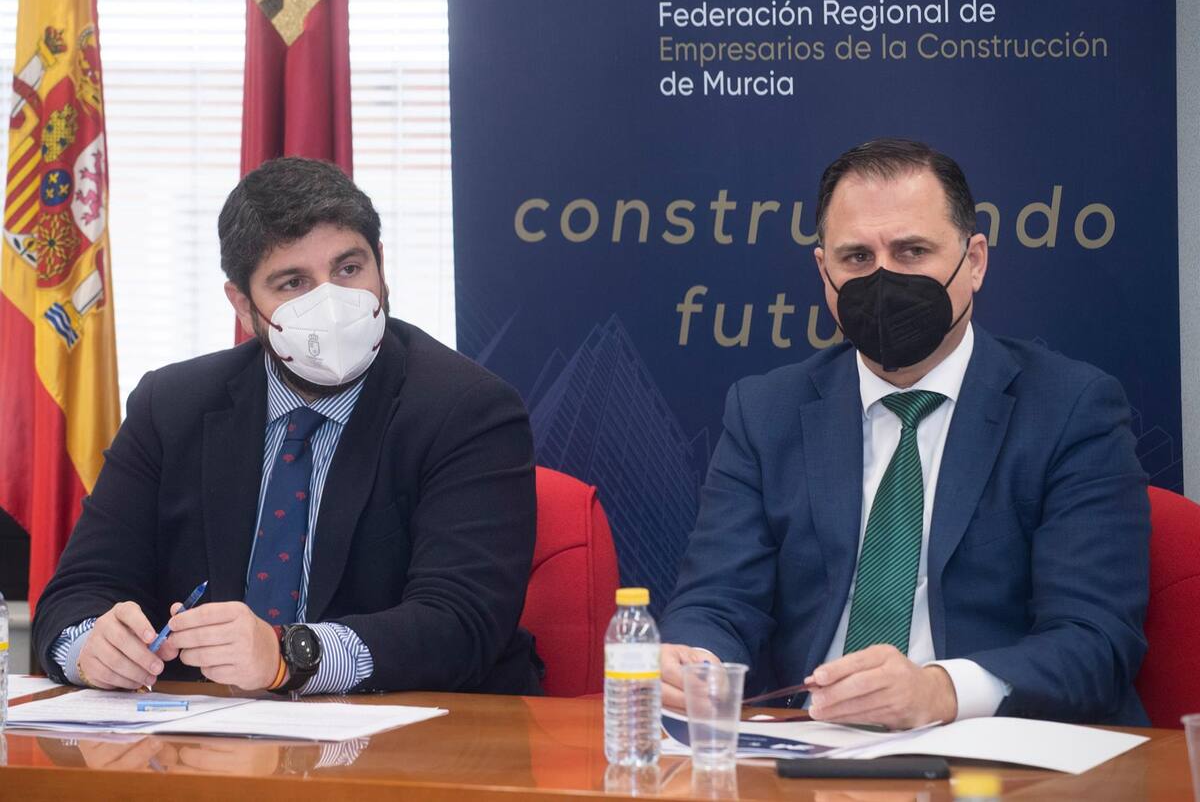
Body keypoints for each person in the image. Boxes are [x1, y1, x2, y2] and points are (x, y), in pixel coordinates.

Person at [659, 138, 1150, 727]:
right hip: (806, 742)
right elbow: (717, 600)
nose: (884, 278)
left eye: (912, 251)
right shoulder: (766, 411)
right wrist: (698, 663)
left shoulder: (1071, 409)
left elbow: (1095, 640)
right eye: (857, 257)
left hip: (992, 747)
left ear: (974, 261)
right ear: (823, 271)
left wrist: (940, 691)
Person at [32, 157, 541, 696]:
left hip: (417, 732)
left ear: (381, 264)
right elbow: (75, 594)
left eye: (349, 269)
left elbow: (461, 623)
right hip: (203, 733)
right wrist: (91, 649)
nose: (331, 304)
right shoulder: (171, 407)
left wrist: (287, 655)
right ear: (243, 306)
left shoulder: (467, 409)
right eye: (293, 283)